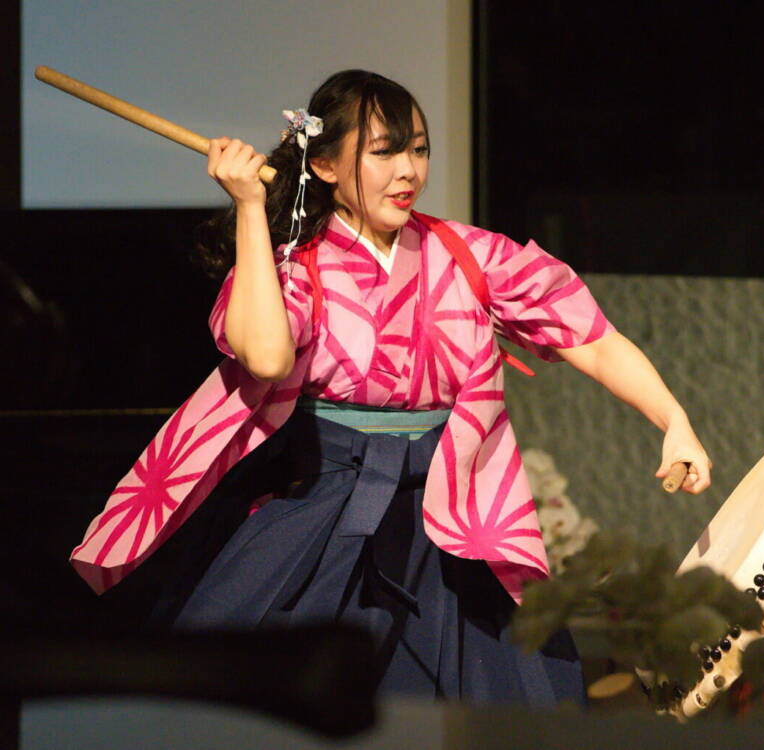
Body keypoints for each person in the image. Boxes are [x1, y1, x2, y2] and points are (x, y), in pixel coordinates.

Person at [70, 70, 711, 706]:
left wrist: (672, 418)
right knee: (254, 700)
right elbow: (265, 357)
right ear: (322, 165)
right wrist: (247, 209)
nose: (408, 169)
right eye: (384, 151)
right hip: (322, 505)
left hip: (449, 512)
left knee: (509, 701)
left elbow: (588, 336)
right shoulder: (296, 264)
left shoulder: (467, 254)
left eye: (419, 149)